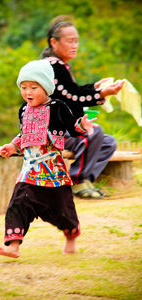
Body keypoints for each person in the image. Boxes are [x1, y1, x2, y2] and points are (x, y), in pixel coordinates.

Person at [0, 59, 98, 258]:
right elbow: (23, 134)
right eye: (23, 87)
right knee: (18, 202)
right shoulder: (23, 110)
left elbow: (71, 127)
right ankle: (13, 246)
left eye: (34, 87)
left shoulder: (57, 107)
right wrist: (12, 146)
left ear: (47, 87)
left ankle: (71, 234)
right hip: (30, 171)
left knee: (62, 212)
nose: (28, 92)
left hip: (54, 173)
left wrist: (82, 125)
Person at [41, 16, 124, 199]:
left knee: (108, 142)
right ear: (54, 43)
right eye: (70, 41)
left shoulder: (60, 65)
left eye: (76, 41)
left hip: (68, 129)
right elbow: (71, 96)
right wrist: (101, 93)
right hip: (54, 132)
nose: (75, 45)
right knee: (93, 133)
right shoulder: (52, 67)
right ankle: (77, 180)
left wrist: (95, 88)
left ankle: (86, 180)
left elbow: (71, 92)